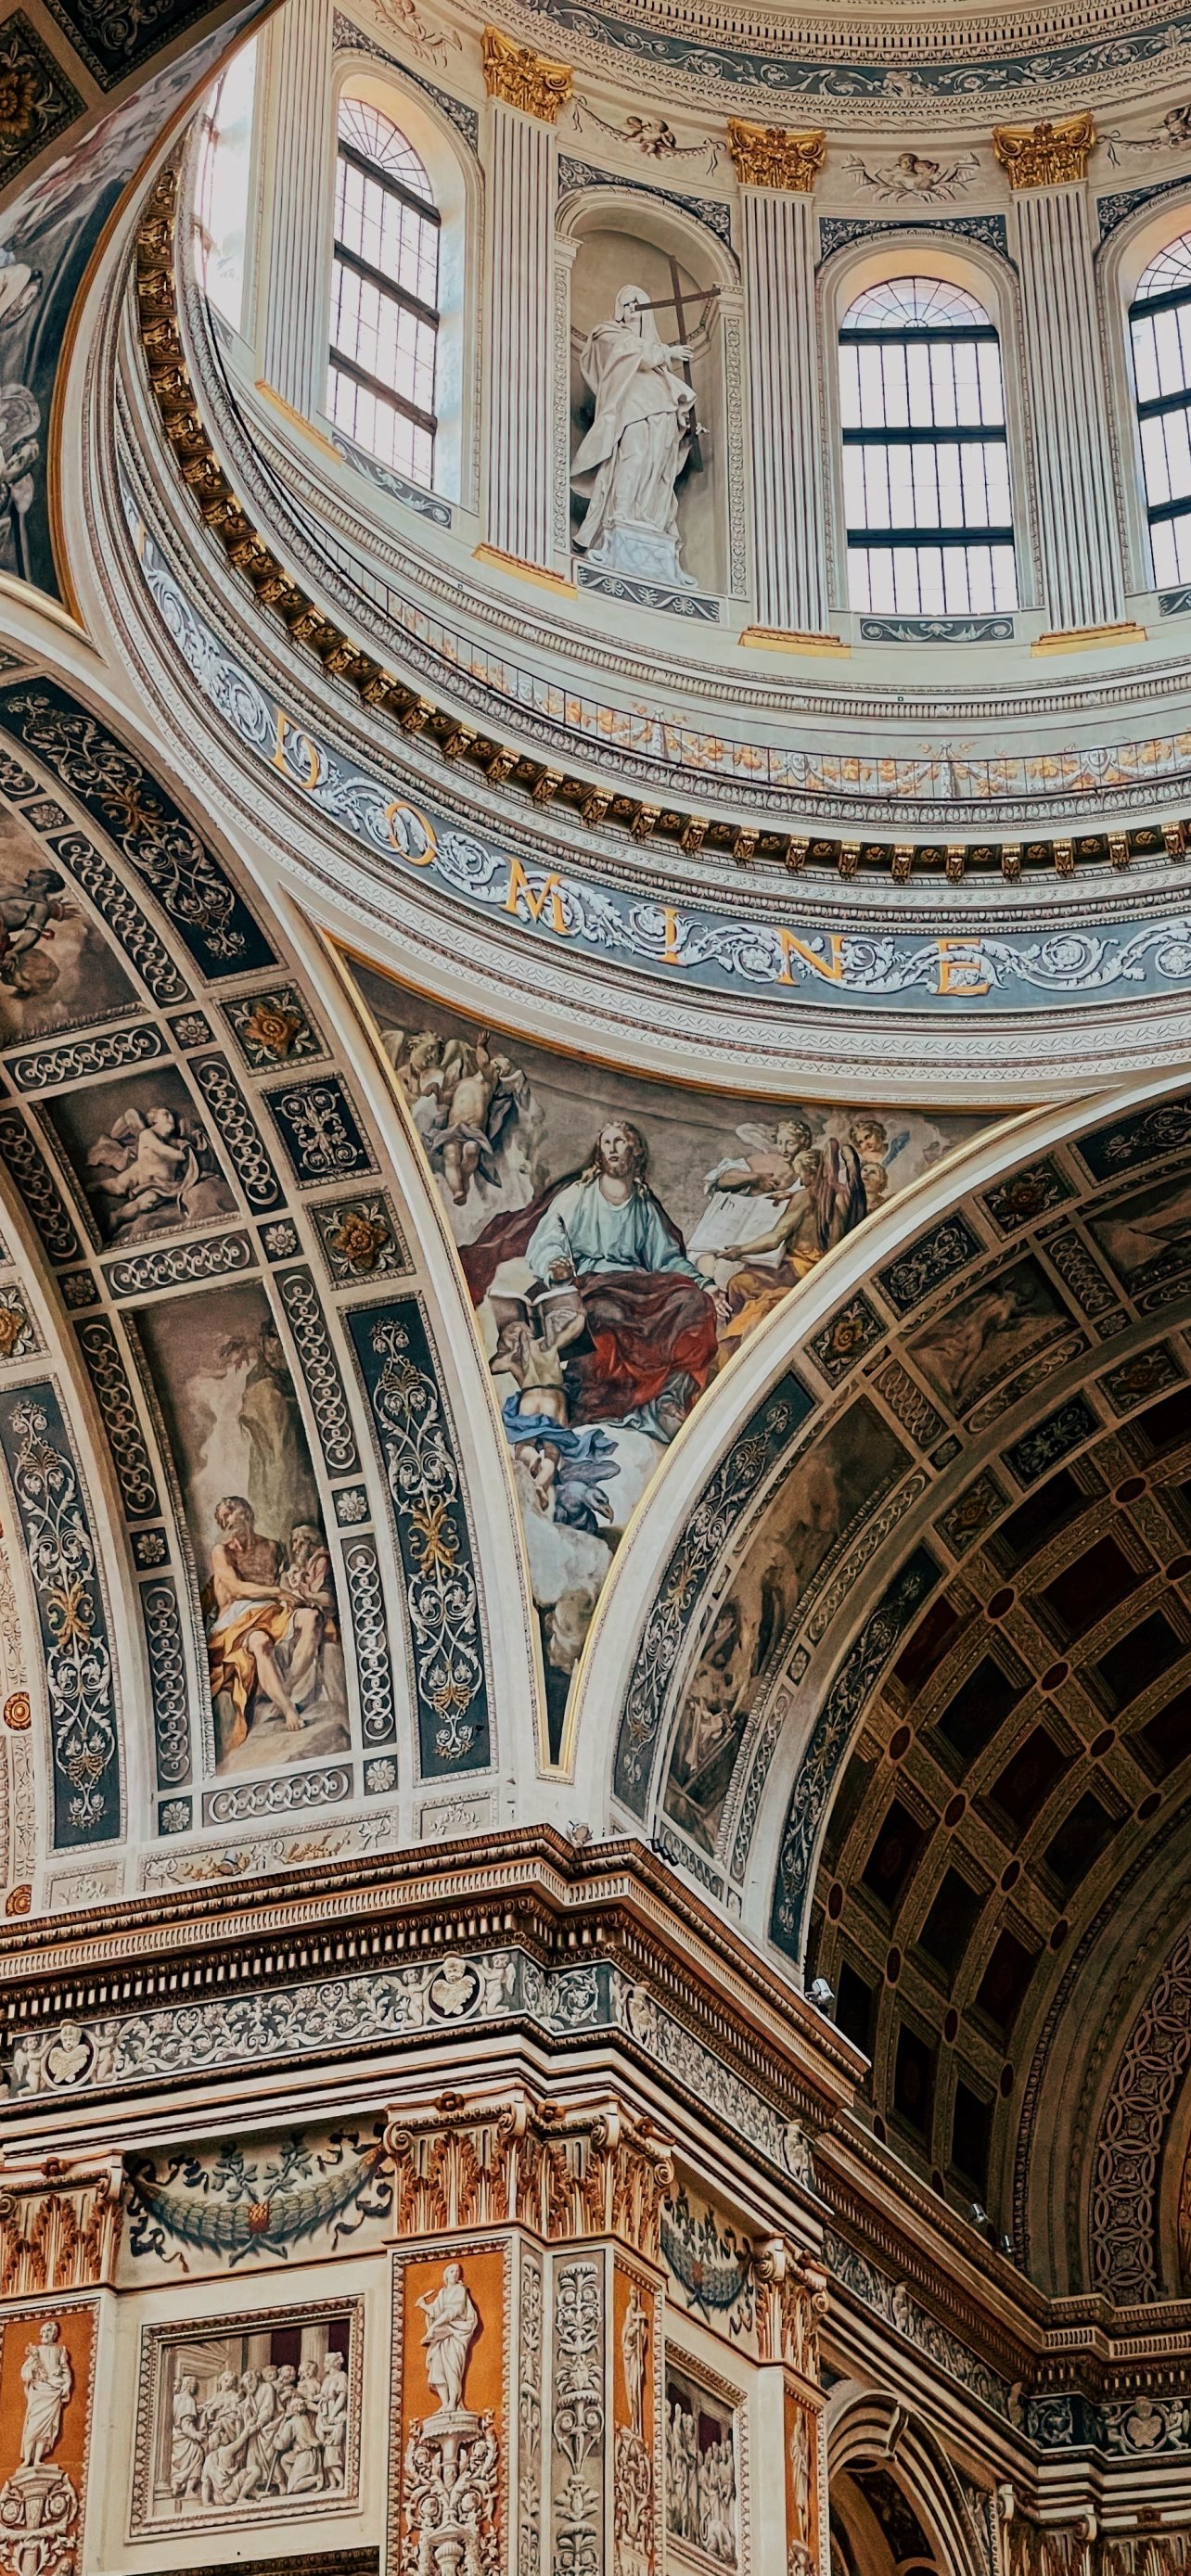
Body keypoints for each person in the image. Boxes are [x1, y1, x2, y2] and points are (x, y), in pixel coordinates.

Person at [464, 1120, 718, 1435]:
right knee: (605, 1315)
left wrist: (706, 1285)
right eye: (607, 1142)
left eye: (620, 1141)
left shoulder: (644, 1206)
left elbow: (667, 1260)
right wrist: (556, 1265)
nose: (612, 1148)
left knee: (693, 1302)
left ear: (635, 1151)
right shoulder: (579, 1195)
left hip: (637, 1286)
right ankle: (597, 1399)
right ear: (599, 1152)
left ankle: (669, 1394)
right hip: (591, 1283)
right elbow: (549, 1238)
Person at [571, 285, 697, 586]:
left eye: (638, 304)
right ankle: (622, 515)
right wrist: (667, 351)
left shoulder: (660, 370)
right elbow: (624, 354)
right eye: (627, 304)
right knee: (634, 456)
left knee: (657, 465)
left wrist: (684, 424)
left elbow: (673, 395)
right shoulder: (608, 334)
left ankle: (649, 521)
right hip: (630, 409)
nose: (632, 309)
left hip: (660, 415)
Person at [205, 1496, 326, 1746]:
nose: (226, 1522)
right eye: (222, 1519)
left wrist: (294, 1595)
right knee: (260, 1642)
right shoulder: (222, 1552)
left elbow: (282, 1584)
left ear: (246, 1512)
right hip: (235, 1621)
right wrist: (278, 1593)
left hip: (271, 1611)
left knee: (312, 1618)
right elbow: (237, 1589)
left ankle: (286, 1688)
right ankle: (288, 1708)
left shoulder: (272, 1547)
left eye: (230, 1513)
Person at [416, 2261, 480, 2416]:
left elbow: (453, 2311)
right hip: (442, 2336)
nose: (455, 2274)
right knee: (437, 2367)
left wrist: (433, 2328)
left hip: (457, 2333)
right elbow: (435, 2311)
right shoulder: (443, 2293)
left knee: (452, 2368)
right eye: (452, 2271)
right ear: (446, 2275)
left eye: (458, 2272)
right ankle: (445, 2403)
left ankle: (453, 2403)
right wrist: (423, 2305)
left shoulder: (460, 2290)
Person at [19, 2320, 71, 2468]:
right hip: (38, 2391)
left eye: (48, 2331)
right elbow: (25, 2371)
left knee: (46, 2428)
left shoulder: (60, 2350)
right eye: (43, 2332)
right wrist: (33, 2370)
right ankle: (27, 2459)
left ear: (54, 2334)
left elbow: (65, 2370)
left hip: (53, 2391)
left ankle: (37, 2459)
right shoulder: (36, 2351)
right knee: (32, 2426)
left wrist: (66, 2384)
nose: (44, 2334)